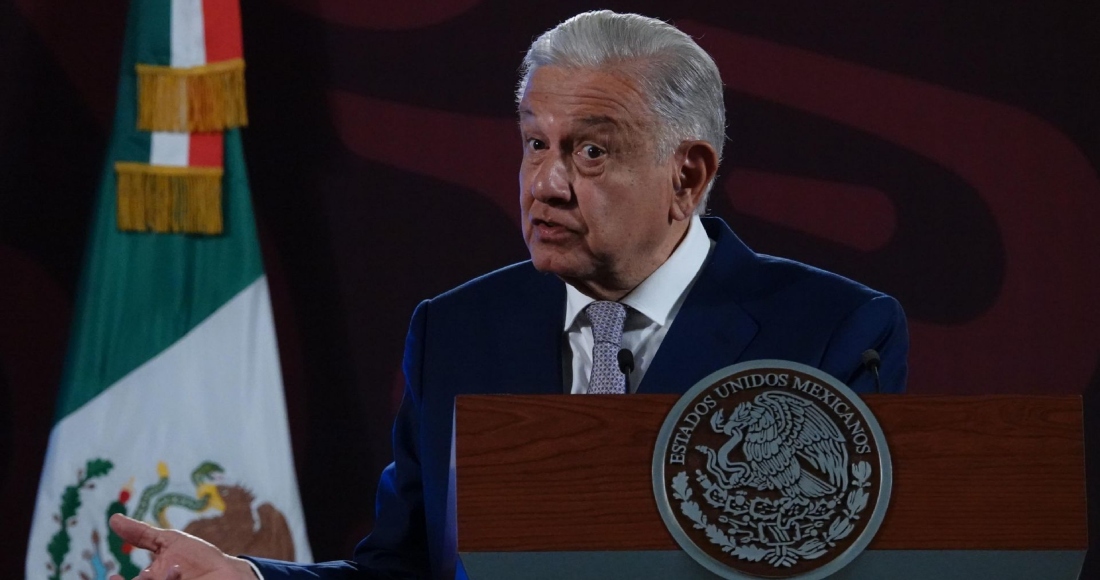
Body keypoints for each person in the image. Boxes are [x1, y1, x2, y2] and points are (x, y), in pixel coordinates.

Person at [108, 9, 908, 580]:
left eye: (591, 151)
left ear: (687, 175)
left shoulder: (833, 331)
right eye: (535, 143)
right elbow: (404, 569)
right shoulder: (457, 329)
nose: (546, 184)